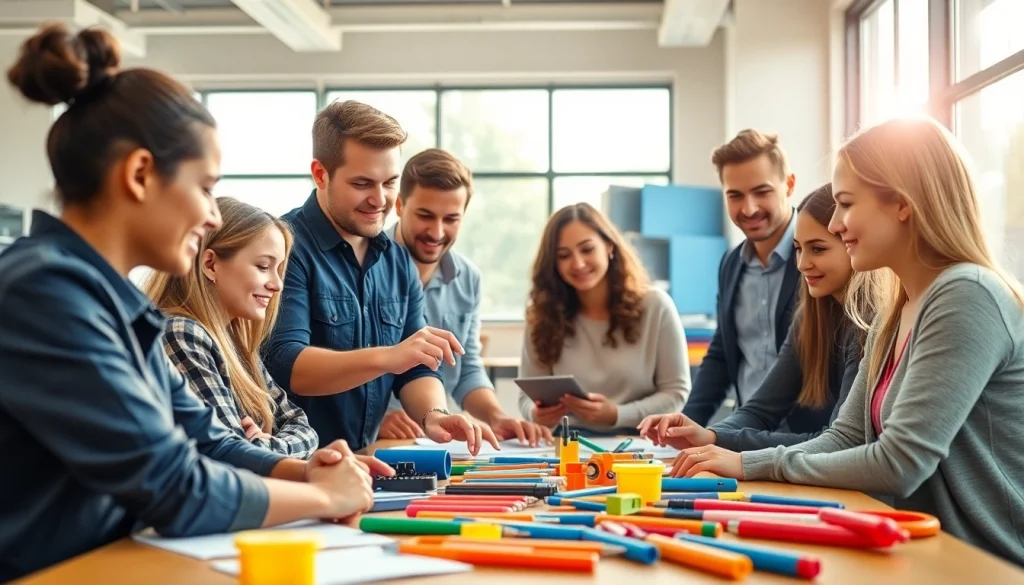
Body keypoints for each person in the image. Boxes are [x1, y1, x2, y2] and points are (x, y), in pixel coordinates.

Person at [0, 24, 391, 582]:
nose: (212, 216)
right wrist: (323, 498)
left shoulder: (112, 304)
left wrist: (305, 470)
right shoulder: (46, 294)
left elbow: (206, 440)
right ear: (139, 175)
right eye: (205, 187)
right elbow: (176, 486)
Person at [671, 116, 1024, 566]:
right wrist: (732, 456)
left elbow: (899, 462)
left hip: (988, 563)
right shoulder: (897, 310)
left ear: (901, 203)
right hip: (924, 554)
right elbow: (846, 436)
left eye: (845, 204)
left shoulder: (966, 293)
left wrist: (747, 463)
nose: (835, 224)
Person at [265, 100, 498, 455]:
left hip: (364, 461)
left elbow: (416, 367)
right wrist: (390, 356)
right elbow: (289, 364)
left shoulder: (397, 261)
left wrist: (434, 414)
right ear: (320, 173)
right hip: (295, 464)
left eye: (389, 183)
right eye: (362, 183)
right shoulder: (285, 246)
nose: (380, 200)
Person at [637, 183, 887, 474]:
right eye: (797, 249)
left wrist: (737, 456)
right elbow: (760, 410)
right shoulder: (809, 317)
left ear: (851, 243)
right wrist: (711, 435)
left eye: (817, 249)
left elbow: (839, 443)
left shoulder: (869, 321)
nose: (803, 264)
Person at [382, 148, 552, 446]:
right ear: (399, 205)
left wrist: (497, 416)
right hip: (377, 437)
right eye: (425, 215)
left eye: (451, 219)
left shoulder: (468, 278)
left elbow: (466, 368)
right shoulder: (364, 265)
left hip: (434, 436)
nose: (437, 231)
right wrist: (375, 416)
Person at [146, 197, 319, 459]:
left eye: (278, 269)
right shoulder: (182, 333)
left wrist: (270, 448)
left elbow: (302, 427)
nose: (277, 284)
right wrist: (266, 450)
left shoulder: (234, 341)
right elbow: (231, 454)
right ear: (210, 264)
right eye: (263, 266)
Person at [516, 202, 690, 434]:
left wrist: (616, 415)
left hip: (638, 442)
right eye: (563, 255)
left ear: (609, 246)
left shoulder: (655, 306)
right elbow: (526, 399)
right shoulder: (542, 314)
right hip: (567, 444)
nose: (577, 263)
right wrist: (537, 415)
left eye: (587, 249)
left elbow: (676, 393)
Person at [682, 130, 801, 426]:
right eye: (735, 196)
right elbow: (723, 353)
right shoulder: (731, 263)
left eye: (762, 192)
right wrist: (687, 422)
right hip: (747, 436)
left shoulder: (821, 255)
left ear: (789, 185)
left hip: (809, 442)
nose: (748, 208)